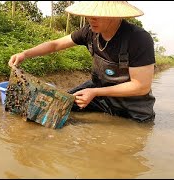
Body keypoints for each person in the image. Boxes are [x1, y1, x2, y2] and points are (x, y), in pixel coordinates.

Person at [8, 1, 156, 122]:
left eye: (98, 15)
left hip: (132, 109)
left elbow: (141, 86)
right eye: (89, 14)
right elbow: (55, 44)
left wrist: (95, 92)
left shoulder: (139, 39)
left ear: (115, 15)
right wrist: (25, 54)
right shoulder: (89, 32)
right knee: (55, 106)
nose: (91, 19)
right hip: (99, 94)